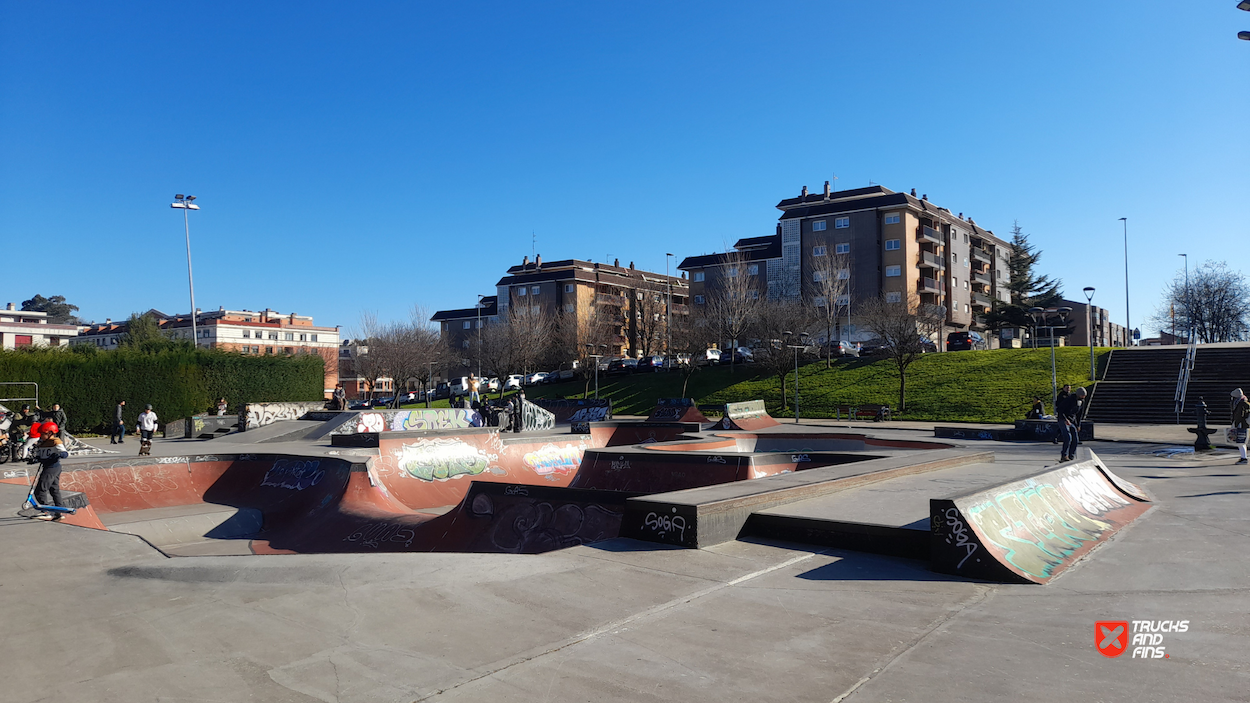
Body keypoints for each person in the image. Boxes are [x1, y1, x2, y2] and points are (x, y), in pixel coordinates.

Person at [29, 422, 69, 520]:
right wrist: (35, 459)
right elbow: (40, 455)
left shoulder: (55, 441)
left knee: (40, 490)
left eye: (43, 434)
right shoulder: (42, 443)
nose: (41, 436)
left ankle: (46, 512)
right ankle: (59, 512)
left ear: (50, 433)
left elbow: (64, 453)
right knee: (54, 490)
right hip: (48, 467)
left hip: (52, 467)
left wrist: (60, 455)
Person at [1056, 387, 1087, 462]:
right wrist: (1065, 419)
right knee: (1068, 437)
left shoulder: (1081, 401)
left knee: (1075, 439)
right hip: (1063, 419)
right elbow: (1059, 409)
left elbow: (1079, 414)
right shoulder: (1069, 399)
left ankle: (1071, 456)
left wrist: (1078, 425)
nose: (1083, 398)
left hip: (1072, 420)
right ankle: (1064, 455)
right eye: (1082, 396)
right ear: (1078, 395)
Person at [1231, 388, 1249, 465]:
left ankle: (1244, 458)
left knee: (1240, 442)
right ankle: (1243, 457)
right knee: (1242, 442)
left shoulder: (1240, 403)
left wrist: (1235, 424)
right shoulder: (1245, 402)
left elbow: (1239, 415)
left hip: (1241, 424)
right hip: (1244, 424)